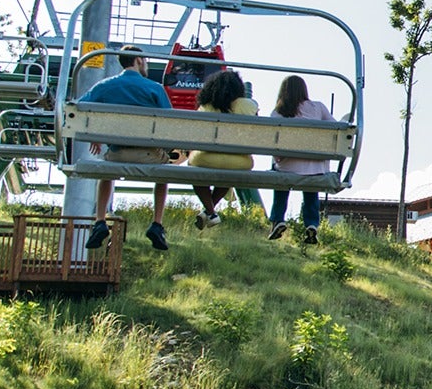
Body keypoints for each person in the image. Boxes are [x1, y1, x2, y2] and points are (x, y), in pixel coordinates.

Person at [80, 46, 173, 251]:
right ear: (138, 60)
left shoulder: (104, 86)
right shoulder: (154, 88)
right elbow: (170, 122)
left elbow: (80, 109)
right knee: (165, 169)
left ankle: (100, 220)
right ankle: (157, 224)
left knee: (106, 170)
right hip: (148, 154)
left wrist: (95, 135)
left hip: (117, 154)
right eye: (145, 60)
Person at [187, 69, 259, 228]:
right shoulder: (249, 106)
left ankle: (210, 212)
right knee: (229, 174)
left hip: (205, 159)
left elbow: (196, 134)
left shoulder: (205, 106)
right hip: (239, 162)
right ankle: (209, 212)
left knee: (194, 171)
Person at [268, 74, 333, 245]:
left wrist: (279, 158)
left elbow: (272, 140)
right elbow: (335, 129)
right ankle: (311, 223)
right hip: (314, 167)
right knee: (311, 189)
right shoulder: (318, 108)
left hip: (287, 166)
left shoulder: (279, 112)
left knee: (280, 181)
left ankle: (277, 220)